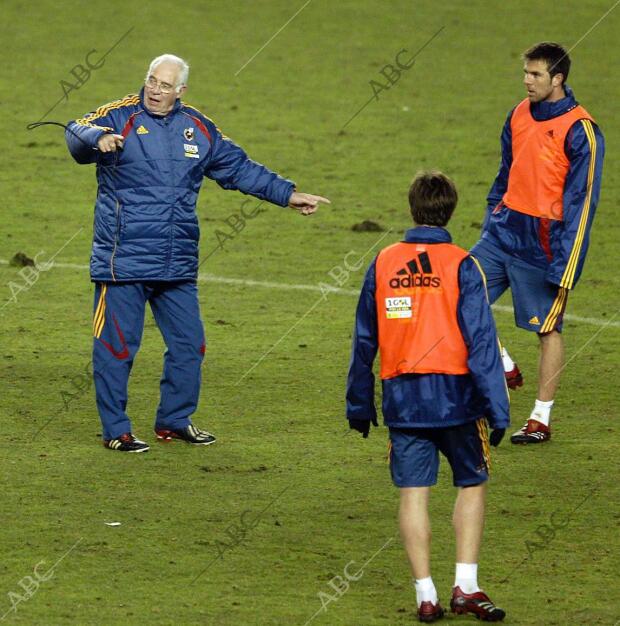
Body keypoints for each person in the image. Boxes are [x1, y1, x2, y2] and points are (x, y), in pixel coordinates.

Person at [65, 54, 329, 453]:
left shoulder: (198, 129)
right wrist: (95, 140)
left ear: (181, 91)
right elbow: (75, 130)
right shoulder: (119, 117)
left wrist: (286, 194)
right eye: (152, 80)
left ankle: (174, 419)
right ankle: (116, 430)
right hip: (124, 263)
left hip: (176, 263)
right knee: (116, 348)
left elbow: (239, 169)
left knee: (190, 345)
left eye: (165, 85)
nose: (155, 89)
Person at [346, 171, 509, 622]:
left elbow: (365, 339)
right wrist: (497, 409)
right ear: (451, 209)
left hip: (403, 396)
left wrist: (359, 403)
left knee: (414, 494)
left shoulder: (383, 262)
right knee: (472, 483)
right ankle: (467, 587)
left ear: (412, 207)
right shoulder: (462, 264)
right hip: (457, 396)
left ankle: (425, 595)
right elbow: (481, 342)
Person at [471, 42, 604, 444]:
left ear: (558, 79)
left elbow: (582, 203)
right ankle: (502, 362)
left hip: (543, 245)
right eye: (526, 73)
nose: (527, 81)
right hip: (502, 231)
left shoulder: (581, 131)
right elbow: (504, 172)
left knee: (547, 330)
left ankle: (539, 419)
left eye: (536, 75)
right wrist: (492, 217)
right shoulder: (517, 114)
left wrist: (566, 266)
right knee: (459, 291)